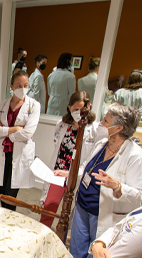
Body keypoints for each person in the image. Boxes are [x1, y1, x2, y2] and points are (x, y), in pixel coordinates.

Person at [65, 104, 142, 258]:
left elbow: (140, 194)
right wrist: (68, 173)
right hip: (82, 205)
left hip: (103, 211)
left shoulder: (135, 156)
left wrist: (117, 186)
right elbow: (87, 168)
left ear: (119, 128)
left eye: (106, 120)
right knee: (77, 247)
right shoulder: (101, 144)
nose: (101, 123)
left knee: (94, 251)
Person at [39, 91, 107, 228]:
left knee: (68, 211)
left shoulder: (94, 130)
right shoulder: (62, 124)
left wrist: (72, 172)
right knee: (49, 205)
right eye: (76, 109)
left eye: (83, 110)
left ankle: (60, 234)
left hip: (77, 175)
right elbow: (57, 144)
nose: (79, 113)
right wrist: (62, 170)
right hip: (58, 172)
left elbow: (92, 158)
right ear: (69, 107)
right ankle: (42, 230)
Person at [0, 70, 40, 211]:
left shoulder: (34, 106)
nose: (22, 89)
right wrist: (16, 129)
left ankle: (8, 218)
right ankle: (3, 215)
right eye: (18, 86)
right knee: (1, 191)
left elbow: (28, 133)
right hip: (3, 152)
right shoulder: (1, 105)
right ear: (11, 86)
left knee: (11, 195)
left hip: (18, 154)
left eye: (25, 85)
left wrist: (5, 131)